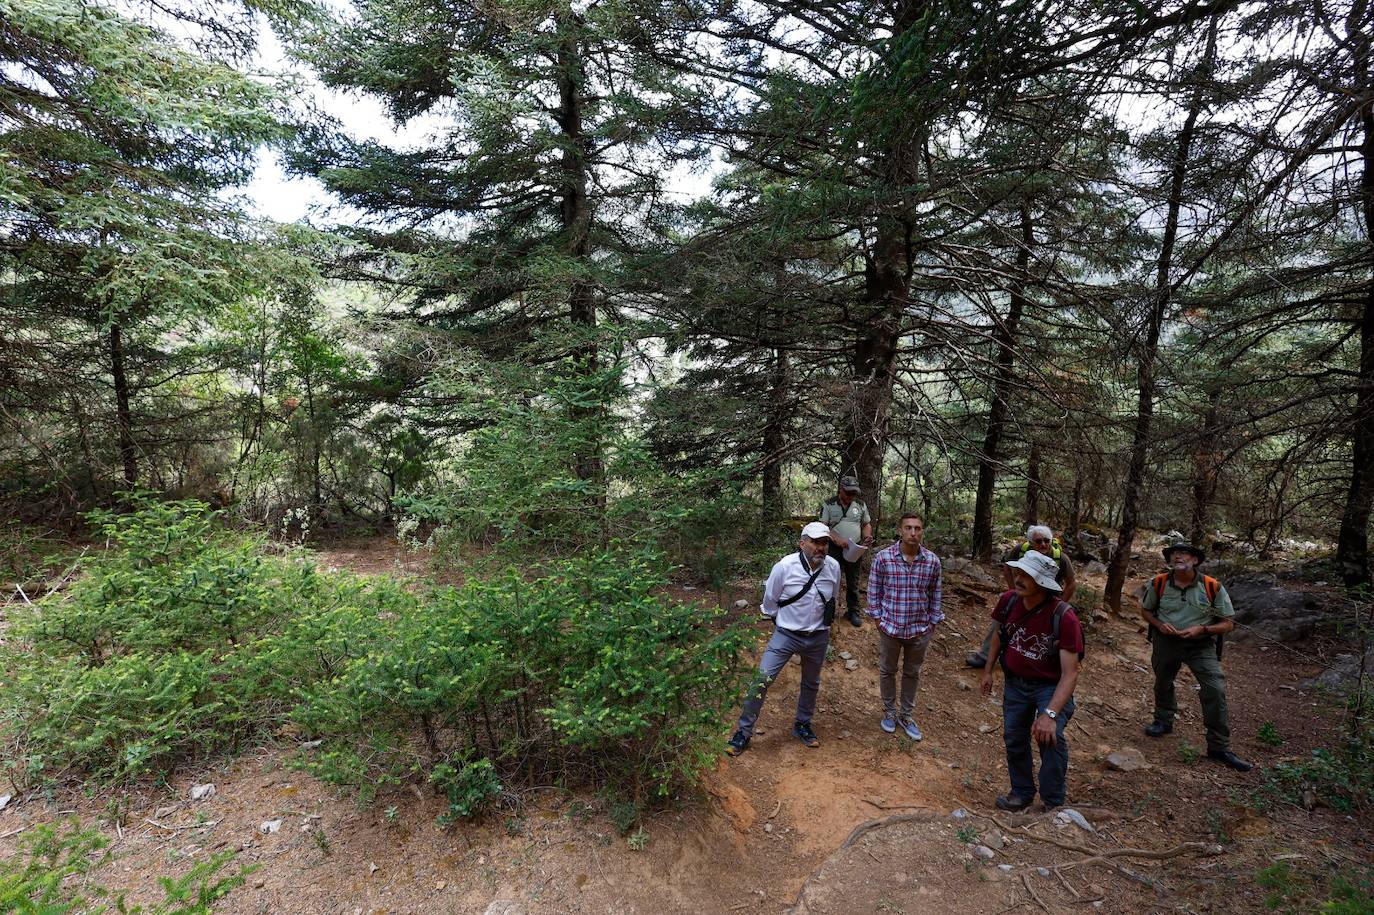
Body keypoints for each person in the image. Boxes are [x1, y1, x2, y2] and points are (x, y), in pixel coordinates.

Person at [725, 521, 841, 756]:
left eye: (824, 543)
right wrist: (784, 621)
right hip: (786, 634)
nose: (820, 547)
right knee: (761, 680)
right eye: (815, 542)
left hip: (818, 636)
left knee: (811, 683)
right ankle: (743, 733)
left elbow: (833, 598)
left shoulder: (834, 567)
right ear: (802, 543)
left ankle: (802, 725)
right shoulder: (784, 567)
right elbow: (769, 603)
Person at [980, 549, 1082, 812]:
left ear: (1044, 583)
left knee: (1050, 736)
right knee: (1014, 736)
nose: (1019, 578)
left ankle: (1053, 802)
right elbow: (998, 636)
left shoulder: (1064, 616)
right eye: (1019, 571)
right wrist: (988, 669)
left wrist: (1050, 713)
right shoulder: (1009, 601)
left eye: (1027, 575)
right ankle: (1022, 792)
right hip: (1016, 683)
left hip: (1050, 685)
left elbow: (1071, 672)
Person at [1138, 542, 1252, 771]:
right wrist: (1159, 625)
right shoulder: (1159, 583)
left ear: (1196, 560)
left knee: (1215, 688)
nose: (1177, 557)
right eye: (1173, 554)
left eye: (1183, 553)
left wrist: (1203, 629)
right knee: (1163, 681)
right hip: (1166, 642)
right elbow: (1146, 611)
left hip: (1200, 645)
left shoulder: (1212, 587)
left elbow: (1228, 623)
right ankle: (1163, 720)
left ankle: (1219, 746)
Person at [866, 513, 942, 740]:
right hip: (890, 627)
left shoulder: (932, 561)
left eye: (917, 528)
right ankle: (889, 712)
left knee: (912, 673)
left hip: (919, 630)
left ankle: (906, 715)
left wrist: (932, 622)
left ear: (922, 532)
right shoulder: (884, 558)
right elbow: (874, 590)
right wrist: (878, 619)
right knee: (887, 670)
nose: (913, 533)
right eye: (908, 528)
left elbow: (935, 594)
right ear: (900, 530)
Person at [966, 524, 1077, 668]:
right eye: (1038, 541)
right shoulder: (1020, 550)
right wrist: (1014, 590)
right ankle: (985, 656)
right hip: (1024, 596)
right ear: (1031, 542)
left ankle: (1041, 663)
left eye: (1046, 540)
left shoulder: (1060, 558)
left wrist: (1061, 603)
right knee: (1000, 622)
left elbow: (1071, 582)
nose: (1043, 544)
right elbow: (1007, 567)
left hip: (1048, 600)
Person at [818, 475, 872, 627]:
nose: (850, 496)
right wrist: (836, 539)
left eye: (853, 493)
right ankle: (828, 610)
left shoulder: (860, 504)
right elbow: (823, 526)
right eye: (848, 493)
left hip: (854, 548)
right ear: (840, 490)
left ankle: (853, 611)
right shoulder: (829, 504)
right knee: (830, 579)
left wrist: (867, 536)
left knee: (853, 580)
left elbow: (866, 524)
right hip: (834, 548)